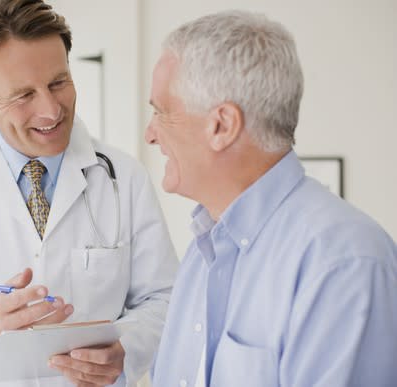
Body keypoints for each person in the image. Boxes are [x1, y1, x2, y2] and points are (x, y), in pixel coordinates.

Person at [0, 1, 178, 386]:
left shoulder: (123, 177)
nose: (50, 110)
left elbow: (168, 301)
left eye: (59, 82)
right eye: (23, 95)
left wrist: (128, 347)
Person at [146, 10, 397, 387]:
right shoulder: (203, 252)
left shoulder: (345, 261)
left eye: (162, 113)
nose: (151, 134)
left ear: (222, 126)